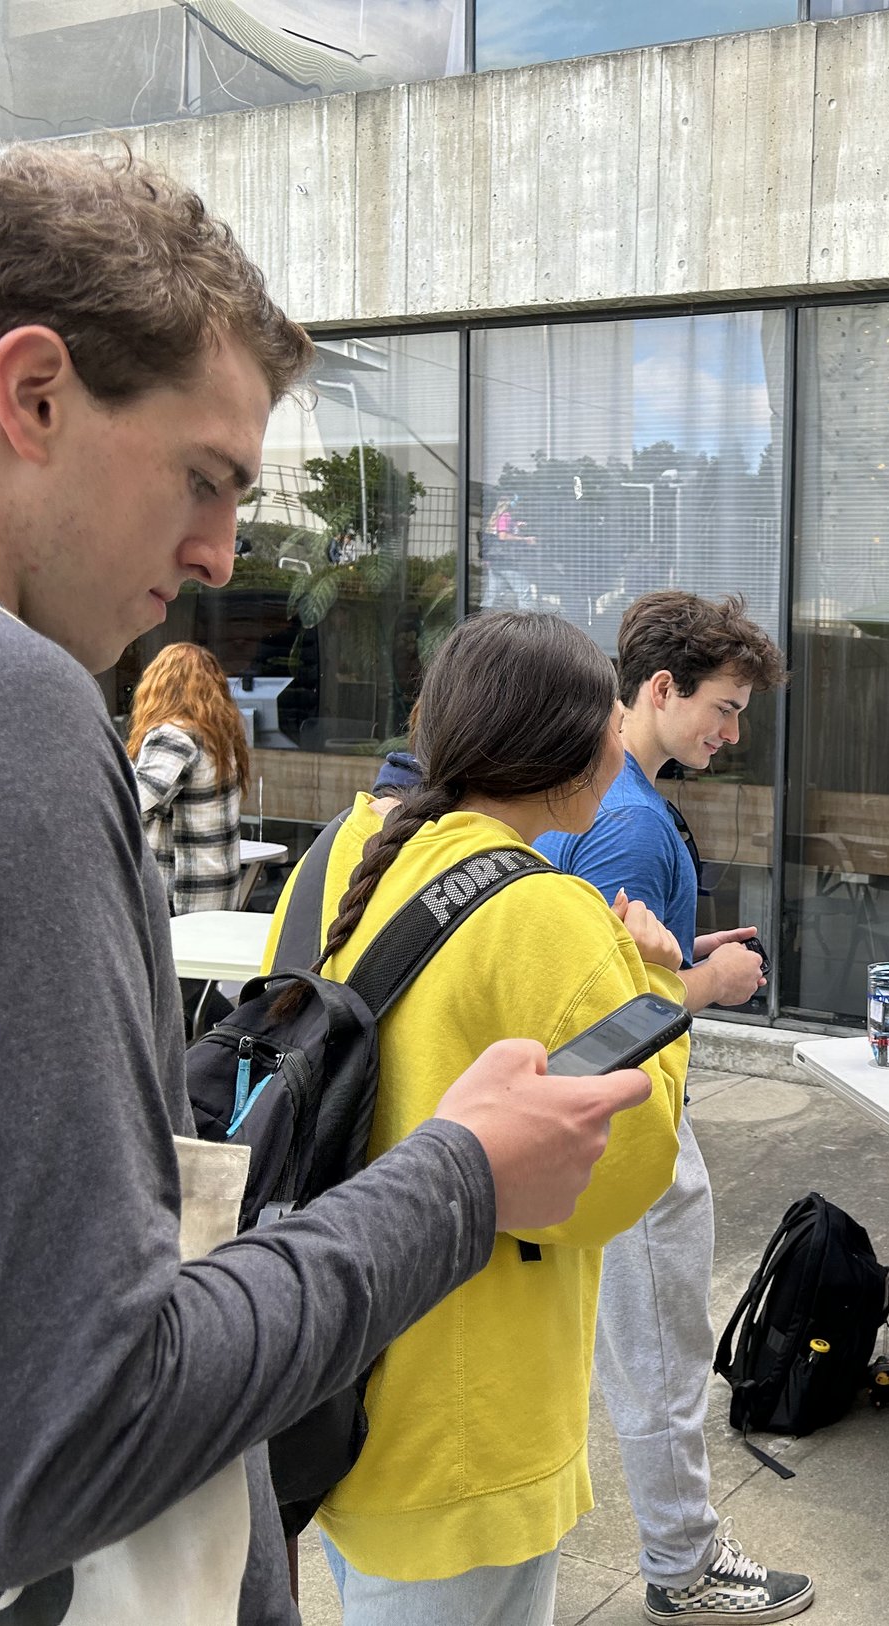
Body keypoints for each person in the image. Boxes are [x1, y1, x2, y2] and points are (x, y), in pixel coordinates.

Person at [0, 144, 651, 1623]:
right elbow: (53, 1442)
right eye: (203, 478)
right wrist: (462, 1175)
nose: (214, 555)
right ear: (31, 393)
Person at [275, 610, 687, 1623]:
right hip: (464, 1422)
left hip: (331, 1373)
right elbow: (620, 1175)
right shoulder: (549, 911)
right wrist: (659, 988)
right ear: (591, 746)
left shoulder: (344, 849)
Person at [538, 590, 813, 1624]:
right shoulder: (628, 821)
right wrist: (708, 988)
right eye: (725, 708)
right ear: (659, 689)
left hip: (607, 1124)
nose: (734, 733)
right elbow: (602, 1017)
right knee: (660, 1363)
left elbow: (596, 960)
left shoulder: (597, 795)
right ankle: (684, 1566)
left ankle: (679, 1555)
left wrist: (684, 958)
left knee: (643, 1357)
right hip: (632, 1124)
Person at [128, 640, 249, 913]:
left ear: (160, 686)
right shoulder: (220, 740)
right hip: (216, 893)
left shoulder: (173, 736)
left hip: (178, 898)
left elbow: (134, 805)